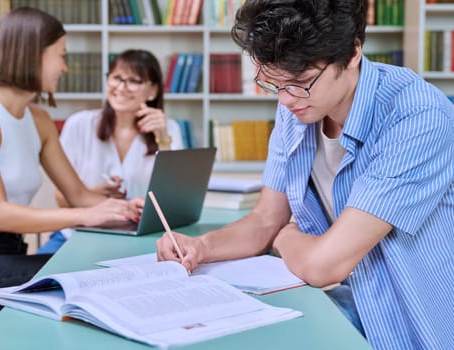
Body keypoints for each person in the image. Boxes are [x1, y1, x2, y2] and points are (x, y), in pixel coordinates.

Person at [156, 1, 454, 349]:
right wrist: (201, 247)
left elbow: (324, 265)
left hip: (414, 323)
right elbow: (265, 219)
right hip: (351, 302)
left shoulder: (417, 118)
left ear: (353, 52)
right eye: (272, 84)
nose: (284, 100)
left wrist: (284, 237)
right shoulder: (299, 105)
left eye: (300, 82)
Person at [0, 7, 143, 329]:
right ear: (33, 54)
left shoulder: (40, 121)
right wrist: (86, 216)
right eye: (60, 55)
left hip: (12, 257)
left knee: (99, 275)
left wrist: (127, 210)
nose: (64, 66)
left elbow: (78, 195)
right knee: (90, 282)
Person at [37, 49, 183, 254]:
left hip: (141, 238)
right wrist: (92, 195)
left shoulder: (170, 129)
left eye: (134, 80)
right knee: (36, 281)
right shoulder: (79, 124)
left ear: (153, 91)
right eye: (116, 78)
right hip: (79, 234)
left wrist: (163, 140)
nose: (121, 88)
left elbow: (175, 200)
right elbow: (61, 198)